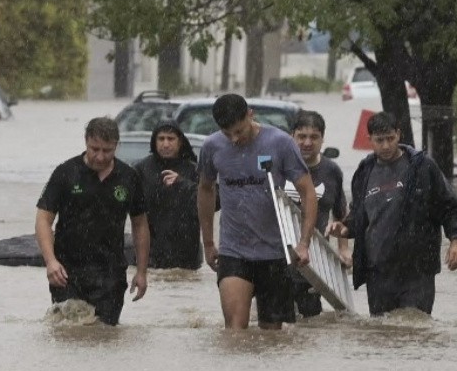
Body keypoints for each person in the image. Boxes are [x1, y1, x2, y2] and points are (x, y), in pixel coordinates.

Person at [196, 94, 318, 330]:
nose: (234, 139)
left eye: (239, 131)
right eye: (227, 133)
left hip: (274, 253)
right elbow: (205, 189)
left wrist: (304, 242)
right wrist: (208, 242)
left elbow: (308, 193)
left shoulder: (280, 143)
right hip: (234, 251)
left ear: (250, 114)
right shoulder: (212, 147)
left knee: (271, 337)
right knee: (234, 330)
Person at [328, 111, 457, 316]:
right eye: (379, 140)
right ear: (370, 140)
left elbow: (449, 206)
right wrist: (346, 227)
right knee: (382, 333)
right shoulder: (364, 171)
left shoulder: (422, 167)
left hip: (417, 271)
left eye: (390, 139)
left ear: (399, 135)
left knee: (414, 329)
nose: (385, 146)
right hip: (378, 271)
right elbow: (360, 214)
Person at [36, 116, 150, 325]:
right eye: (94, 148)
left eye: (107, 150)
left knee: (104, 335)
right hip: (67, 271)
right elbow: (43, 219)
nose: (99, 156)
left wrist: (141, 271)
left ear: (117, 145)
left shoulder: (129, 177)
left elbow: (140, 224)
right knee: (70, 334)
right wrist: (51, 261)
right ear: (86, 142)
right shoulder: (66, 173)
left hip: (111, 272)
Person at [285, 110, 351, 317]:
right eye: (301, 137)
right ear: (291, 136)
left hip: (312, 266)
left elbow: (340, 215)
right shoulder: (278, 168)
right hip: (275, 262)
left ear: (323, 139)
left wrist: (343, 250)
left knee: (310, 326)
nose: (307, 143)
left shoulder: (332, 171)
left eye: (314, 137)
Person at [131, 121, 202, 270]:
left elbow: (215, 201)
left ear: (180, 141)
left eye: (171, 139)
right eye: (161, 139)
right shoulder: (140, 170)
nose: (165, 144)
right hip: (151, 255)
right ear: (154, 141)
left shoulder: (193, 170)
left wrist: (183, 184)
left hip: (186, 256)